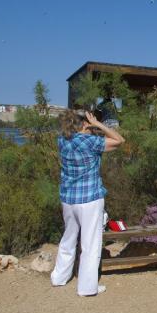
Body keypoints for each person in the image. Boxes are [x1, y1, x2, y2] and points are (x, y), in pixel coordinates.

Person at [51, 110, 124, 296]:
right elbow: (119, 140)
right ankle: (87, 287)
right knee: (90, 243)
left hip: (68, 198)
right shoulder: (89, 142)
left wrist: (87, 126)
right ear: (84, 123)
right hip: (90, 198)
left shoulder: (62, 141)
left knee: (68, 239)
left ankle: (59, 277)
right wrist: (98, 124)